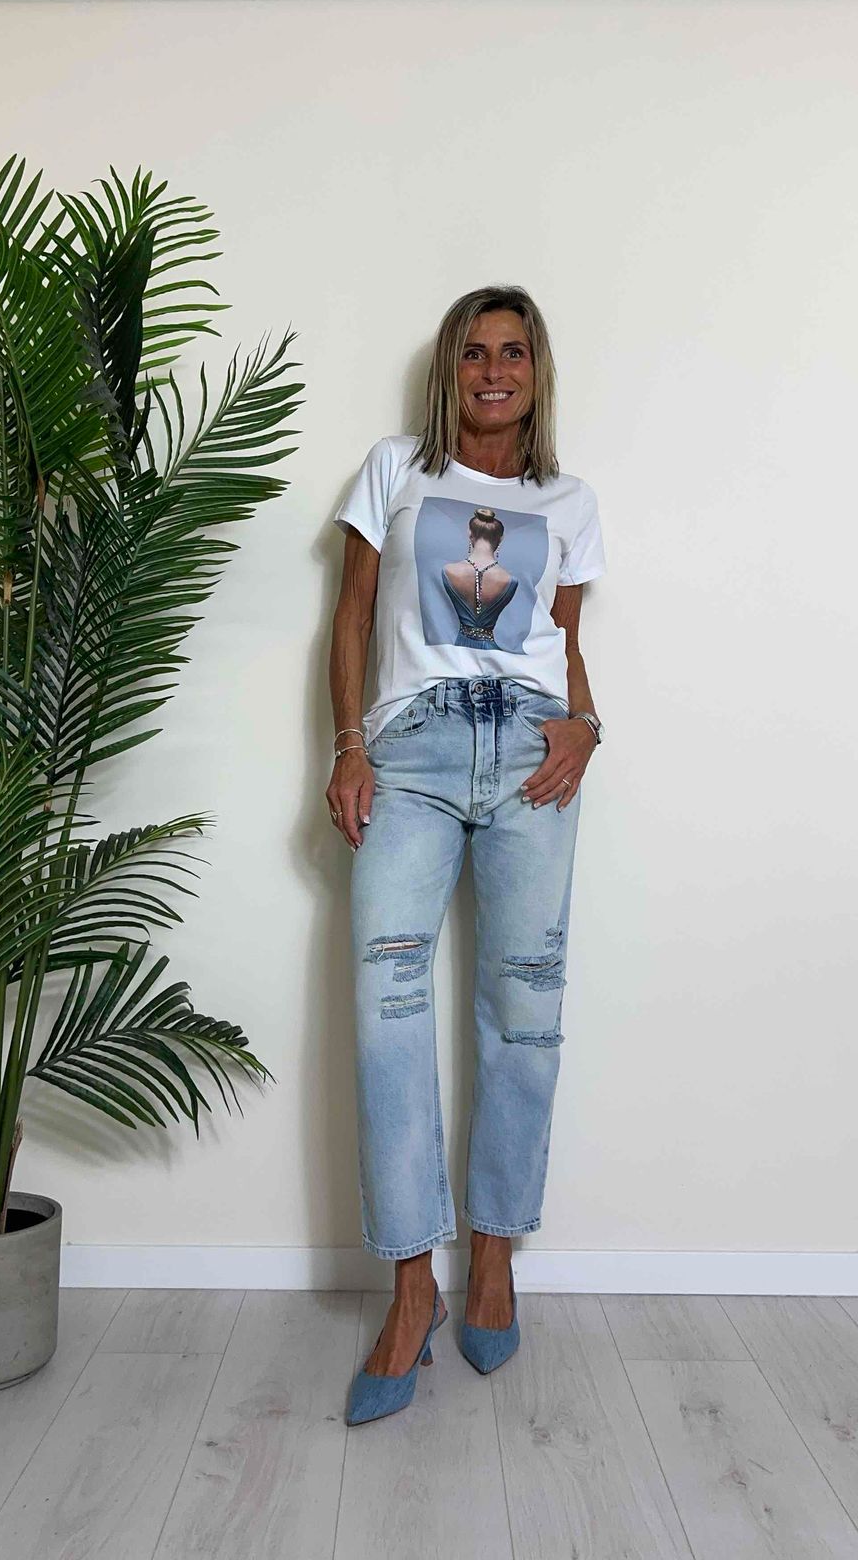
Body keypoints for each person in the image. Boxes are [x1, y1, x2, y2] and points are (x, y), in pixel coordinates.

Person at [328, 283, 606, 1426]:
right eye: (475, 352)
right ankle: (411, 1290)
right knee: (386, 1005)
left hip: (535, 753)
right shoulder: (395, 469)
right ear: (450, 368)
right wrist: (347, 748)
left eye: (513, 352)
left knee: (523, 1011)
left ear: (536, 374)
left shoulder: (567, 500)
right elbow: (351, 618)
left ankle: (491, 1259)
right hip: (412, 752)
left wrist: (587, 724)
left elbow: (564, 644)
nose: (494, 370)